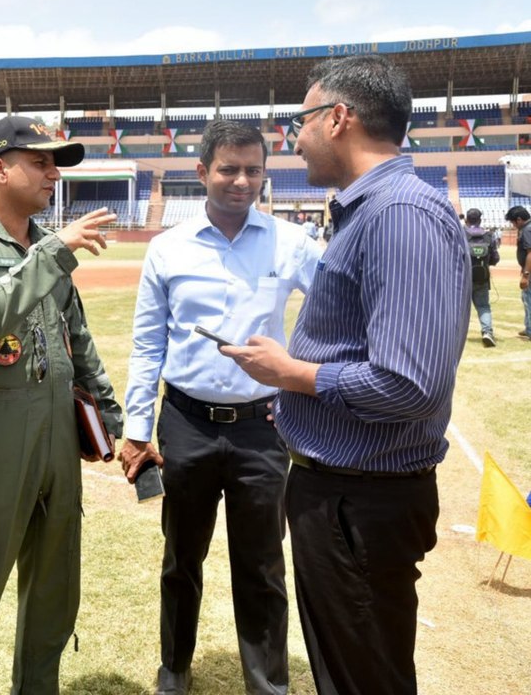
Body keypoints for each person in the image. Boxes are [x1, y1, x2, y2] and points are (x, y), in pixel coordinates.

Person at [224, 54, 470, 695]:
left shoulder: (399, 215)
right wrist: (298, 400)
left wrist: (293, 375)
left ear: (338, 118)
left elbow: (410, 385)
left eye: (300, 122)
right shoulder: (375, 211)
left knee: (363, 677)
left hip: (359, 503)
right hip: (344, 494)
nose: (293, 140)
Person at [120, 120, 321, 695]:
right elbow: (148, 343)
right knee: (182, 558)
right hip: (186, 426)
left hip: (263, 428)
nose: (242, 181)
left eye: (254, 170)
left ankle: (267, 684)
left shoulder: (292, 242)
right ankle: (174, 670)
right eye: (229, 169)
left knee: (262, 565)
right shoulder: (168, 248)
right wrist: (137, 427)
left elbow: (338, 309)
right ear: (202, 171)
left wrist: (303, 382)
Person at [0, 115, 122, 694]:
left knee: (55, 588)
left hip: (57, 434)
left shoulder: (42, 247)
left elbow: (76, 338)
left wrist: (109, 417)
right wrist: (54, 252)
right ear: (0, 169)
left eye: (55, 165)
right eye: (40, 162)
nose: (53, 174)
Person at [464, 208, 499, 346]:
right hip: (482, 278)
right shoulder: (489, 236)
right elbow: (495, 258)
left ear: (466, 220)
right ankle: (487, 332)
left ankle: (455, 335)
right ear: (480, 220)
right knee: (483, 306)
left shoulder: (461, 234)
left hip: (463, 279)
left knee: (460, 309)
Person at [504, 205, 531, 339]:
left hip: (530, 273)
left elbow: (530, 253)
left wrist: (526, 275)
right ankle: (528, 327)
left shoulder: (527, 230)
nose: (513, 225)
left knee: (529, 300)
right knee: (526, 298)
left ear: (519, 219)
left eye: (513, 222)